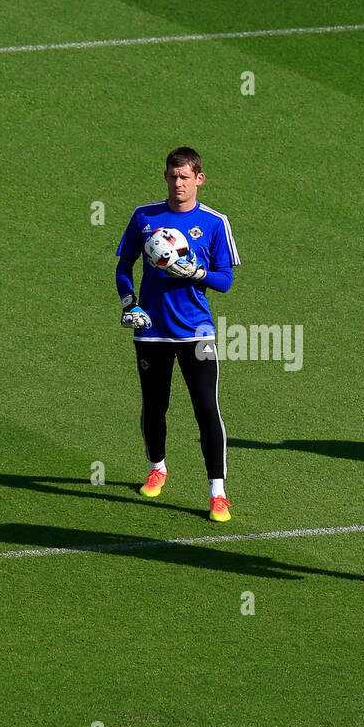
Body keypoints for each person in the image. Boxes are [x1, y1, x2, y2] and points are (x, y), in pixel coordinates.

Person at [115, 147, 241, 522]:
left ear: (199, 179)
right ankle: (158, 467)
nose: (178, 183)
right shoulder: (144, 217)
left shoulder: (216, 223)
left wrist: (196, 275)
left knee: (206, 409)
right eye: (173, 176)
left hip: (196, 332)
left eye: (185, 177)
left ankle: (217, 492)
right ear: (166, 176)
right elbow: (124, 265)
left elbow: (226, 280)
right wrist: (128, 303)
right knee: (154, 406)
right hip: (151, 331)